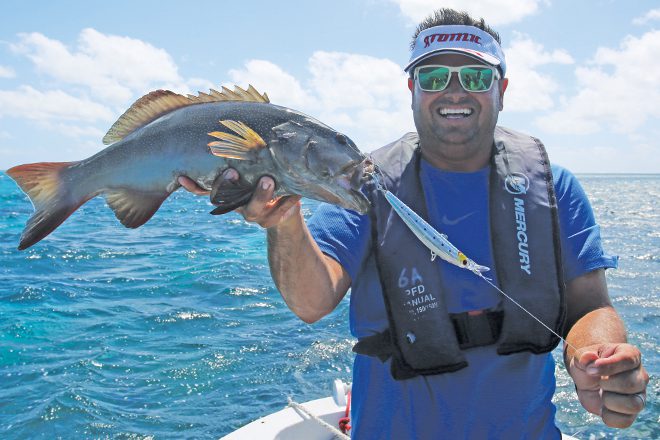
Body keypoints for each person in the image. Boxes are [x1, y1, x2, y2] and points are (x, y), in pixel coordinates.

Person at [180, 8, 649, 439]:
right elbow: (312, 301)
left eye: (475, 75)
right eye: (434, 76)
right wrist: (282, 220)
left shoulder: (554, 187)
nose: (455, 89)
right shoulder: (361, 182)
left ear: (500, 90)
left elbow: (590, 305)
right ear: (413, 91)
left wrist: (599, 358)